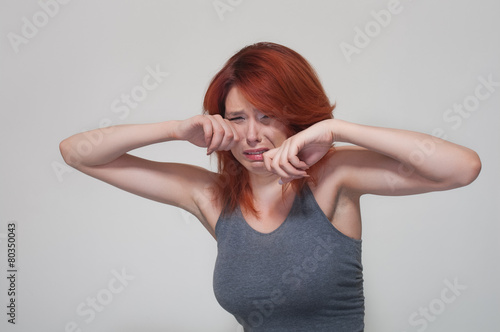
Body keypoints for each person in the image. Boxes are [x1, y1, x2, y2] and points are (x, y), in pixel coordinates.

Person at [59, 42, 481, 331]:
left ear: (296, 116)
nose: (252, 135)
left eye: (268, 116)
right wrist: (174, 129)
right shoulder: (213, 197)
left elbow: (462, 168)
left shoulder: (335, 178)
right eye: (238, 118)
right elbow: (77, 152)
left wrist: (336, 129)